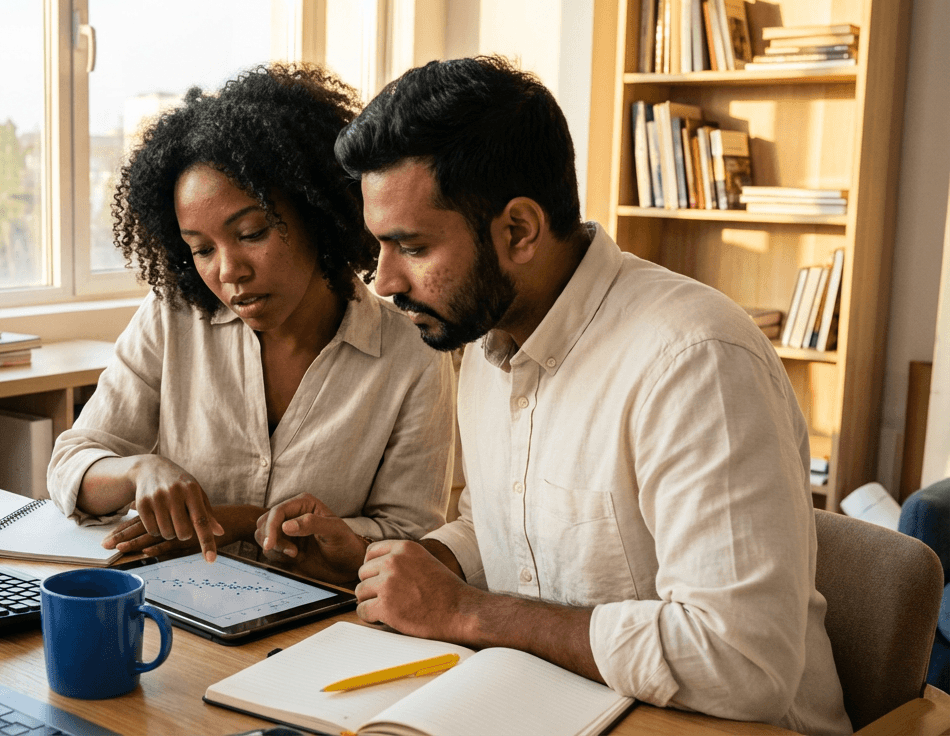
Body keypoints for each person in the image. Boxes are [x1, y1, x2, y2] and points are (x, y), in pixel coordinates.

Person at [324, 56, 851, 734]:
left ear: (519, 230)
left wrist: (466, 613)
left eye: (412, 247)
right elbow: (501, 526)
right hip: (549, 709)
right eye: (379, 247)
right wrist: (402, 566)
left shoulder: (694, 361)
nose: (385, 281)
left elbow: (741, 664)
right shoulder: (487, 339)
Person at [46, 64, 456, 583]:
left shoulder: (412, 352)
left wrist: (241, 523)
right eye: (201, 249)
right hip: (180, 604)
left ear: (316, 212)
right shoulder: (174, 317)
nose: (228, 271)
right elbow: (71, 464)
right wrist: (138, 470)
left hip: (325, 618)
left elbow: (409, 538)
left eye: (251, 233)